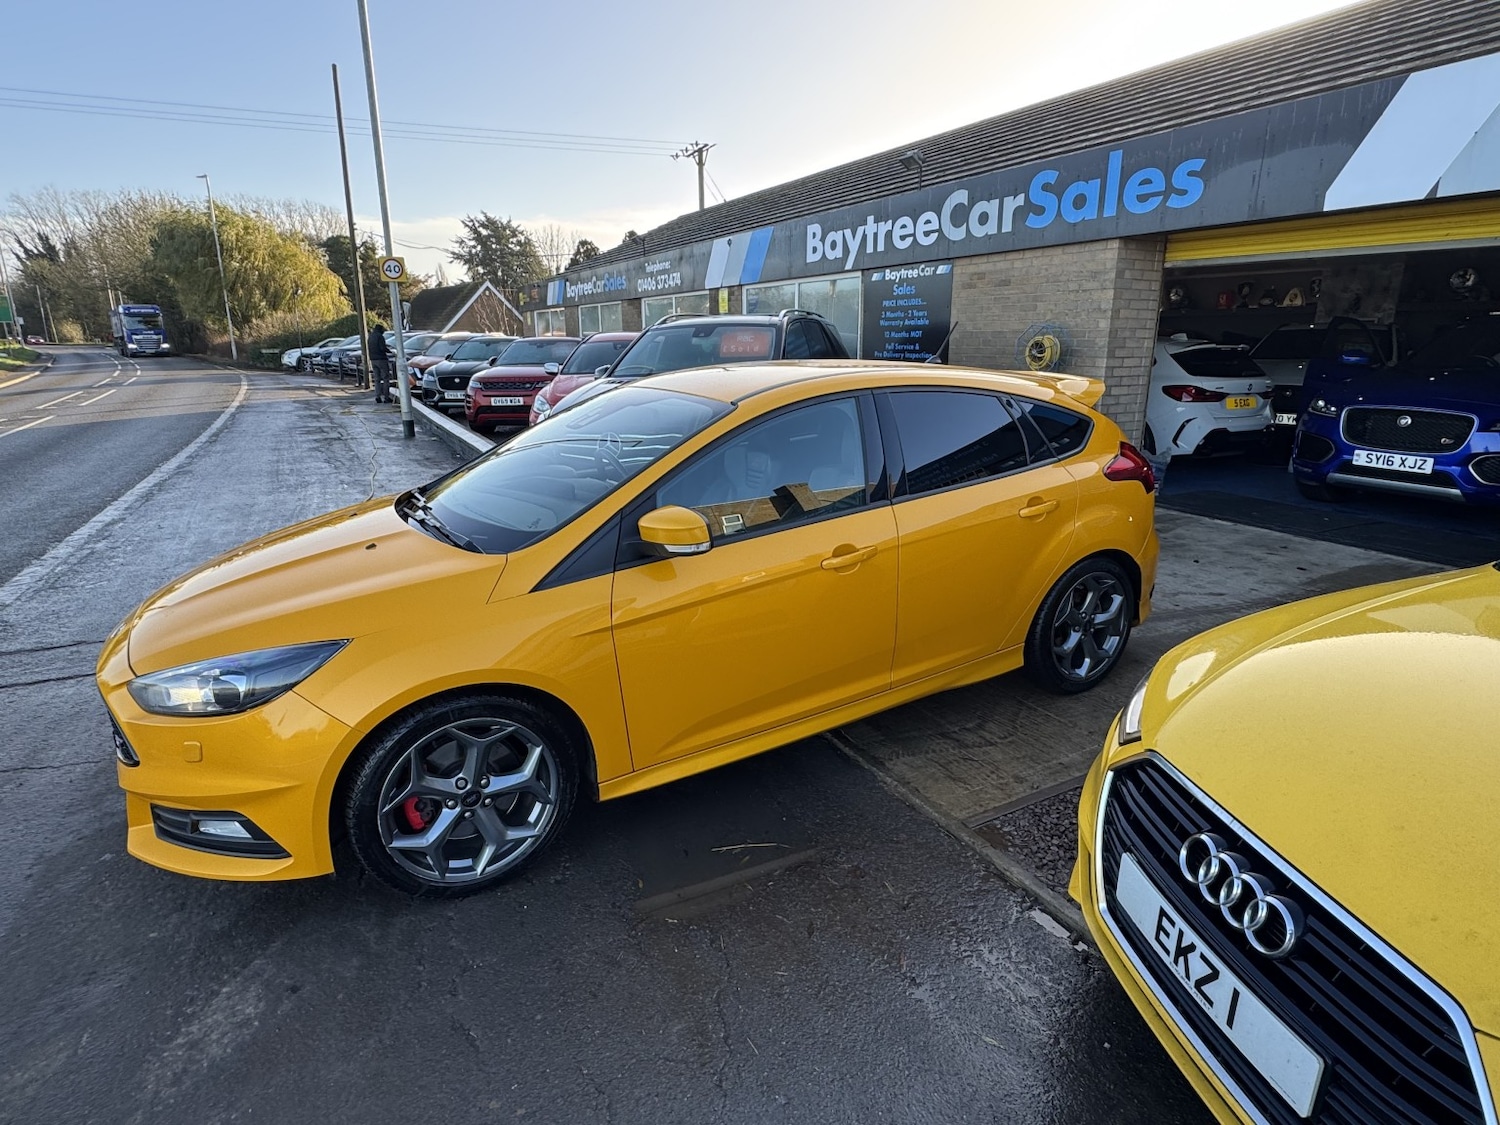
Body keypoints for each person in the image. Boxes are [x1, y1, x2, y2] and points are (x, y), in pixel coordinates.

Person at [367, 322, 392, 402]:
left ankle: (377, 396)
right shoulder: (380, 336)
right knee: (385, 378)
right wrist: (390, 351)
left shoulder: (370, 336)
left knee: (377, 379)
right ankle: (386, 397)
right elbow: (382, 348)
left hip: (373, 359)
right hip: (381, 359)